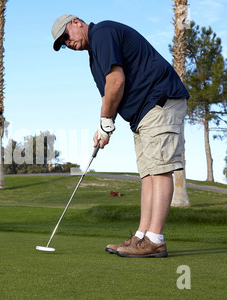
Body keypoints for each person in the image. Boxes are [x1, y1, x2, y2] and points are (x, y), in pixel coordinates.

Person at [51, 15, 189, 258]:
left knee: (160, 170)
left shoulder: (102, 33)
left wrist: (106, 122)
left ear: (76, 22)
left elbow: (116, 81)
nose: (67, 43)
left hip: (159, 101)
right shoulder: (94, 54)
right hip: (142, 114)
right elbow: (109, 94)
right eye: (62, 43)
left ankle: (155, 239)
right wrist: (103, 125)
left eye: (66, 35)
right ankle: (141, 236)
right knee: (148, 174)